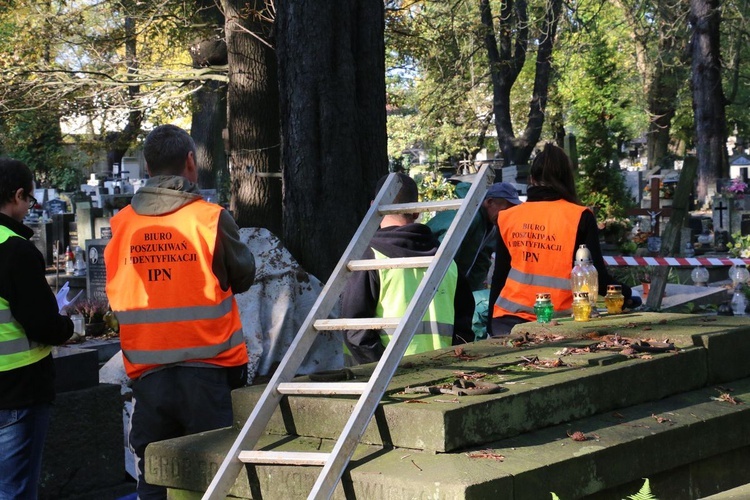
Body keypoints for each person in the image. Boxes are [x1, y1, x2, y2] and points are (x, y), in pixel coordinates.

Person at [104, 125, 256, 499]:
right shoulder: (209, 219)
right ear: (190, 161)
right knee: (215, 478)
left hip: (149, 378)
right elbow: (244, 276)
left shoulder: (122, 225)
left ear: (146, 165)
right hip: (210, 374)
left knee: (156, 474)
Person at [488, 143, 640, 336]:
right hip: (560, 322)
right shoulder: (579, 216)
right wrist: (626, 294)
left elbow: (500, 275)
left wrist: (491, 327)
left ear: (532, 179)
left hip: (507, 322)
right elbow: (596, 278)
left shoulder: (508, 217)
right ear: (568, 179)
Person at [0, 158, 75, 499]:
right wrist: (67, 325)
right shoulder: (14, 251)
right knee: (14, 491)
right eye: (29, 199)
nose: (29, 206)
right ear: (17, 196)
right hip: (17, 390)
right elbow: (43, 325)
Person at [343, 173, 475, 365]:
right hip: (442, 374)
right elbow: (464, 325)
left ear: (373, 207)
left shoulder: (367, 257)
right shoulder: (446, 260)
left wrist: (387, 372)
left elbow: (355, 330)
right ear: (416, 212)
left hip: (385, 382)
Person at [427, 181, 522, 291]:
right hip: (437, 281)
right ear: (489, 202)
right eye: (507, 210)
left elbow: (482, 263)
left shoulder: (491, 226)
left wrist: (472, 294)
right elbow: (445, 252)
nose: (509, 215)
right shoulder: (470, 218)